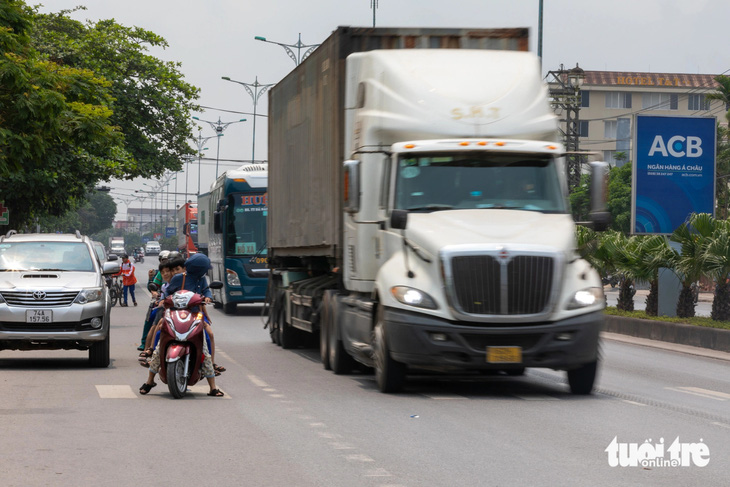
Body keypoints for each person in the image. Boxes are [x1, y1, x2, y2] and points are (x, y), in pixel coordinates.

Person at [139, 254, 223, 397]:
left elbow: (206, 291)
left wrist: (207, 297)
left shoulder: (201, 280)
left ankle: (213, 387)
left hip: (195, 316)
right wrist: (163, 300)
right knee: (159, 345)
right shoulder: (179, 278)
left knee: (207, 344)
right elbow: (168, 292)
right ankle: (149, 380)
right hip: (175, 314)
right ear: (199, 269)